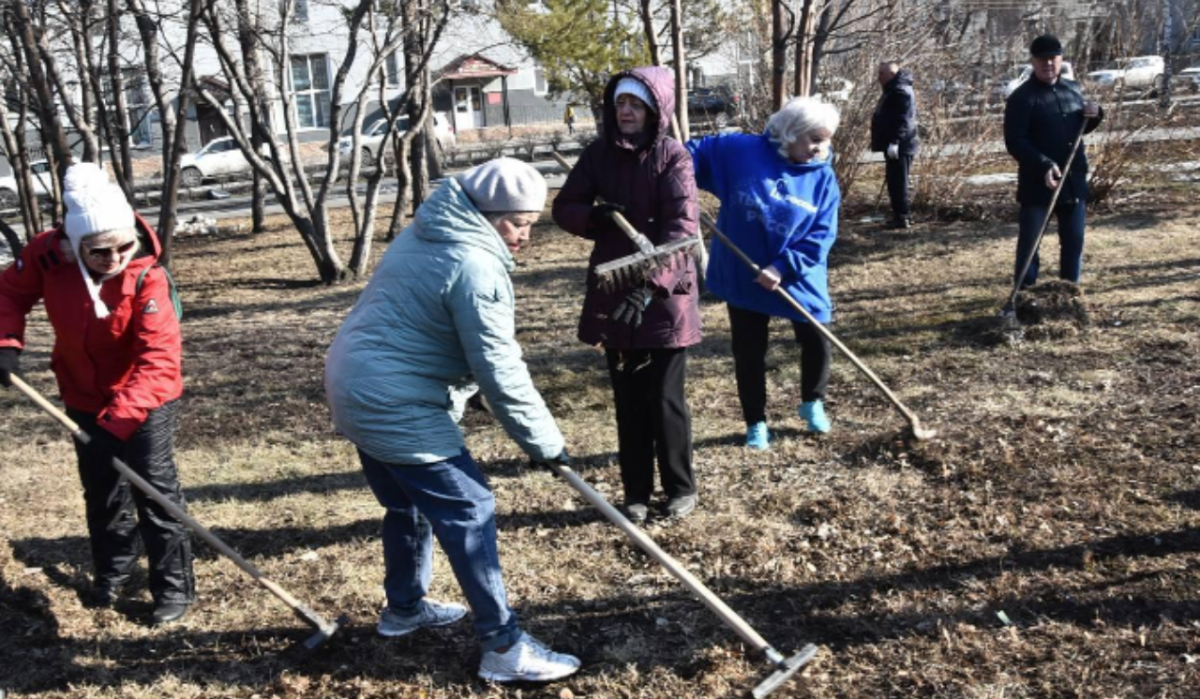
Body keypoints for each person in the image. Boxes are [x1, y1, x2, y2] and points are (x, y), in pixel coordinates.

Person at [324, 157, 580, 683]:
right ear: (486, 213)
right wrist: (546, 444)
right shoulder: (475, 263)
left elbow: (427, 324)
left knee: (406, 502)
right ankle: (503, 646)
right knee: (470, 505)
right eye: (518, 222)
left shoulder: (428, 232)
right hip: (392, 400)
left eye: (531, 222)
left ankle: (405, 609)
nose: (526, 235)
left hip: (354, 382)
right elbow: (500, 367)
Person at [0, 162, 195, 625]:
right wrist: (5, 344)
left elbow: (158, 361)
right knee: (102, 489)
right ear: (73, 244)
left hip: (146, 399)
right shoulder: (48, 256)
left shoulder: (148, 276)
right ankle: (114, 572)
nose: (114, 258)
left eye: (122, 246)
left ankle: (173, 587)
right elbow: (6, 294)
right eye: (99, 251)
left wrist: (118, 422)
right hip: (82, 394)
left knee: (155, 491)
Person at [551, 67, 701, 525]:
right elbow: (564, 207)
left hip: (664, 297)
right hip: (615, 296)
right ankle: (636, 492)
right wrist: (595, 216)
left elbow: (682, 229)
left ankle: (680, 487)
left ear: (655, 109)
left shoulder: (673, 157)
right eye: (620, 104)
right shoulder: (598, 155)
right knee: (627, 399)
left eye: (636, 104)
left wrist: (651, 281)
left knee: (663, 398)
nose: (627, 111)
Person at [686, 97, 841, 449]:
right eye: (814, 139)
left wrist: (783, 267)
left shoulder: (823, 179)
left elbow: (822, 235)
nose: (821, 148)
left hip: (799, 274)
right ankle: (756, 421)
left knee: (817, 336)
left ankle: (812, 402)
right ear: (790, 133)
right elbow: (690, 155)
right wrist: (673, 181)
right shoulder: (742, 151)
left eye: (826, 140)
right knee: (749, 349)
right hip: (746, 271)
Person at [1004, 33, 1103, 289]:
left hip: (1072, 182)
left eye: (1053, 58)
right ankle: (1024, 295)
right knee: (1030, 244)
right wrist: (1044, 164)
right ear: (1033, 62)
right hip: (1038, 185)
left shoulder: (1072, 89)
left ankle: (1070, 294)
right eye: (1042, 60)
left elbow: (1078, 127)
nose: (1048, 64)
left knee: (1073, 241)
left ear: (1061, 59)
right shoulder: (1021, 99)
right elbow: (1014, 141)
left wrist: (1095, 115)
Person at [870, 60, 919, 229]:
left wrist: (894, 142)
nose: (878, 77)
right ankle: (901, 214)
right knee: (895, 181)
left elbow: (903, 121)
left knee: (898, 182)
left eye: (881, 73)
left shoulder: (900, 92)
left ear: (891, 74)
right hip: (897, 144)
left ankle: (902, 216)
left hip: (901, 145)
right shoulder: (893, 89)